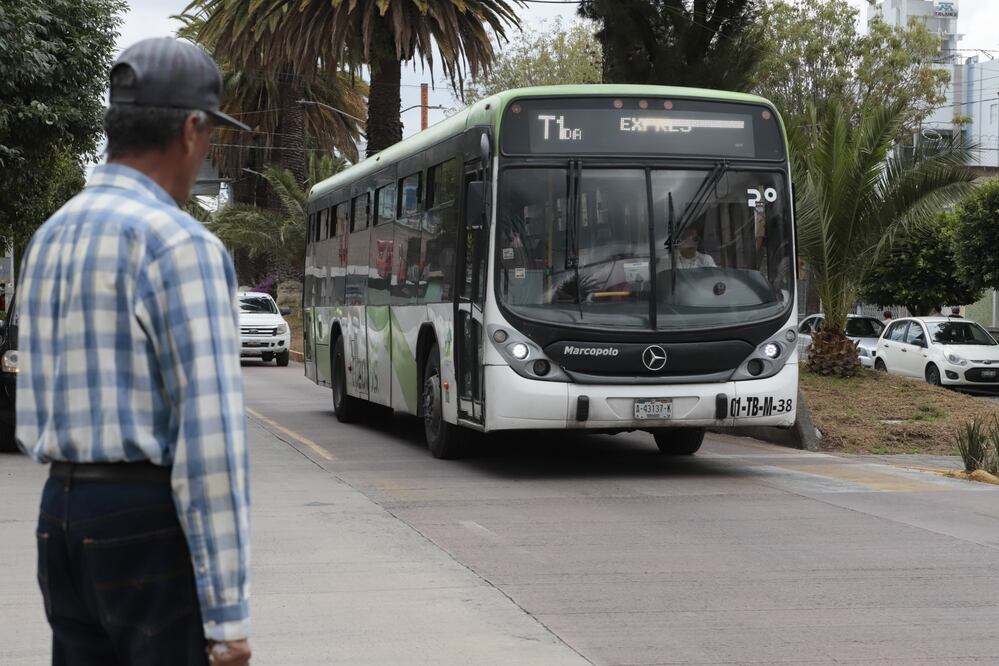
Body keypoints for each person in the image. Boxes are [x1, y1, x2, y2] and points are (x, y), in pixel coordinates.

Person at [16, 38, 253, 666]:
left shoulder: (50, 236)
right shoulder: (182, 245)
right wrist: (227, 617)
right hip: (143, 520)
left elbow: (32, 412)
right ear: (190, 128)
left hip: (60, 514)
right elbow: (211, 438)